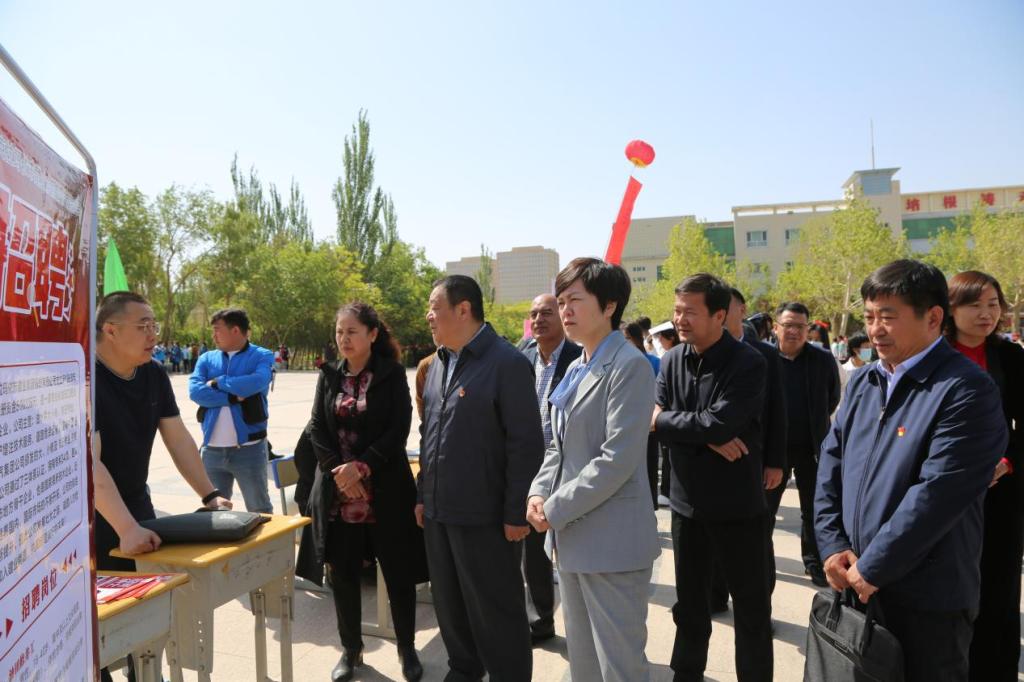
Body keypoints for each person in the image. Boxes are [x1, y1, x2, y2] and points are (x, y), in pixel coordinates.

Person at [815, 259, 1009, 682]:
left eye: (888, 316)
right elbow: (831, 461)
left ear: (933, 318)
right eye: (869, 317)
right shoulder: (864, 382)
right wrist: (831, 544)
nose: (875, 330)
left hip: (927, 597)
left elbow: (939, 494)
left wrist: (875, 566)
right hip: (855, 580)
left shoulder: (966, 389)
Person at [526, 258, 658, 681]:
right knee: (583, 664)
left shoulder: (629, 365)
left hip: (612, 544)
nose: (564, 310)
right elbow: (558, 445)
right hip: (572, 540)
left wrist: (554, 508)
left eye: (575, 300)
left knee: (619, 667)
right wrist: (537, 492)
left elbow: (616, 459)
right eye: (561, 301)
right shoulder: (577, 366)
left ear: (609, 306)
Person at [92, 292, 231, 682]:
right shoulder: (86, 378)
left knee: (144, 613)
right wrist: (126, 528)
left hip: (136, 505)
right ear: (110, 330)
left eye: (154, 325)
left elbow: (177, 437)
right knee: (100, 622)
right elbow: (89, 463)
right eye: (143, 326)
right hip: (90, 516)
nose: (153, 334)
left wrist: (209, 494)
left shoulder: (152, 373)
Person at [417, 275, 544, 681]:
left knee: (497, 611)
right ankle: (464, 669)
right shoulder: (438, 363)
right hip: (439, 512)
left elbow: (526, 444)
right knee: (450, 605)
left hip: (486, 517)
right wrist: (423, 495)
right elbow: (427, 434)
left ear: (463, 310)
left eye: (435, 307)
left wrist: (515, 512)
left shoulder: (507, 363)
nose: (429, 316)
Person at [653, 273, 773, 682]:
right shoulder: (672, 360)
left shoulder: (749, 363)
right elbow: (653, 419)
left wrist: (685, 426)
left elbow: (718, 422)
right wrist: (706, 435)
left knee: (751, 609)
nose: (679, 320)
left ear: (720, 315)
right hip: (686, 505)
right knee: (689, 606)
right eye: (677, 310)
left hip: (738, 507)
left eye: (690, 312)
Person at [298, 303, 427, 682]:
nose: (344, 338)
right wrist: (339, 471)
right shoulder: (329, 374)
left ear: (372, 334)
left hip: (385, 490)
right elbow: (317, 427)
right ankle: (351, 648)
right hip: (339, 493)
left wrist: (362, 466)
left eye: (352, 331)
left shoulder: (390, 374)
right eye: (340, 331)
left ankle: (407, 647)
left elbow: (398, 429)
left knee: (398, 572)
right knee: (343, 573)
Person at [943, 271, 1024, 682]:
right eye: (974, 305)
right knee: (950, 590)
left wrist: (1007, 462)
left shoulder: (1011, 357)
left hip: (1001, 491)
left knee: (999, 589)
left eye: (993, 304)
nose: (986, 314)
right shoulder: (934, 355)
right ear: (949, 309)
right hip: (944, 491)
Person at [709, 288, 788, 613]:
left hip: (755, 463)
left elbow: (777, 410)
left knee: (756, 540)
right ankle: (715, 595)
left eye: (725, 307)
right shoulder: (701, 351)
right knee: (713, 537)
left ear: (741, 309)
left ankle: (758, 608)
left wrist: (775, 462)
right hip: (711, 462)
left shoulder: (765, 354)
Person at [520, 293, 582, 645]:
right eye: (534, 314)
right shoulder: (524, 357)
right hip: (529, 468)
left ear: (561, 315)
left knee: (570, 549)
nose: (538, 319)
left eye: (546, 312)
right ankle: (540, 621)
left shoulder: (578, 358)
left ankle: (581, 627)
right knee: (533, 551)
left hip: (567, 466)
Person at [772, 302, 841, 587]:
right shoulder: (764, 358)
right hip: (773, 450)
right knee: (764, 509)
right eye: (788, 325)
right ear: (776, 327)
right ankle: (760, 562)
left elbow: (832, 398)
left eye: (800, 326)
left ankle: (814, 563)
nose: (794, 331)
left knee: (814, 509)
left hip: (813, 448)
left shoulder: (822, 359)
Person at [189, 308, 276, 513]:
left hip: (250, 449)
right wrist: (231, 397)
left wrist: (218, 382)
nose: (213, 335)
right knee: (214, 513)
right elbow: (195, 392)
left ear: (235, 330)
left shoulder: (261, 355)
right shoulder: (207, 358)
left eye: (217, 330)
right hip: (211, 451)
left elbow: (257, 381)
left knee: (260, 509)